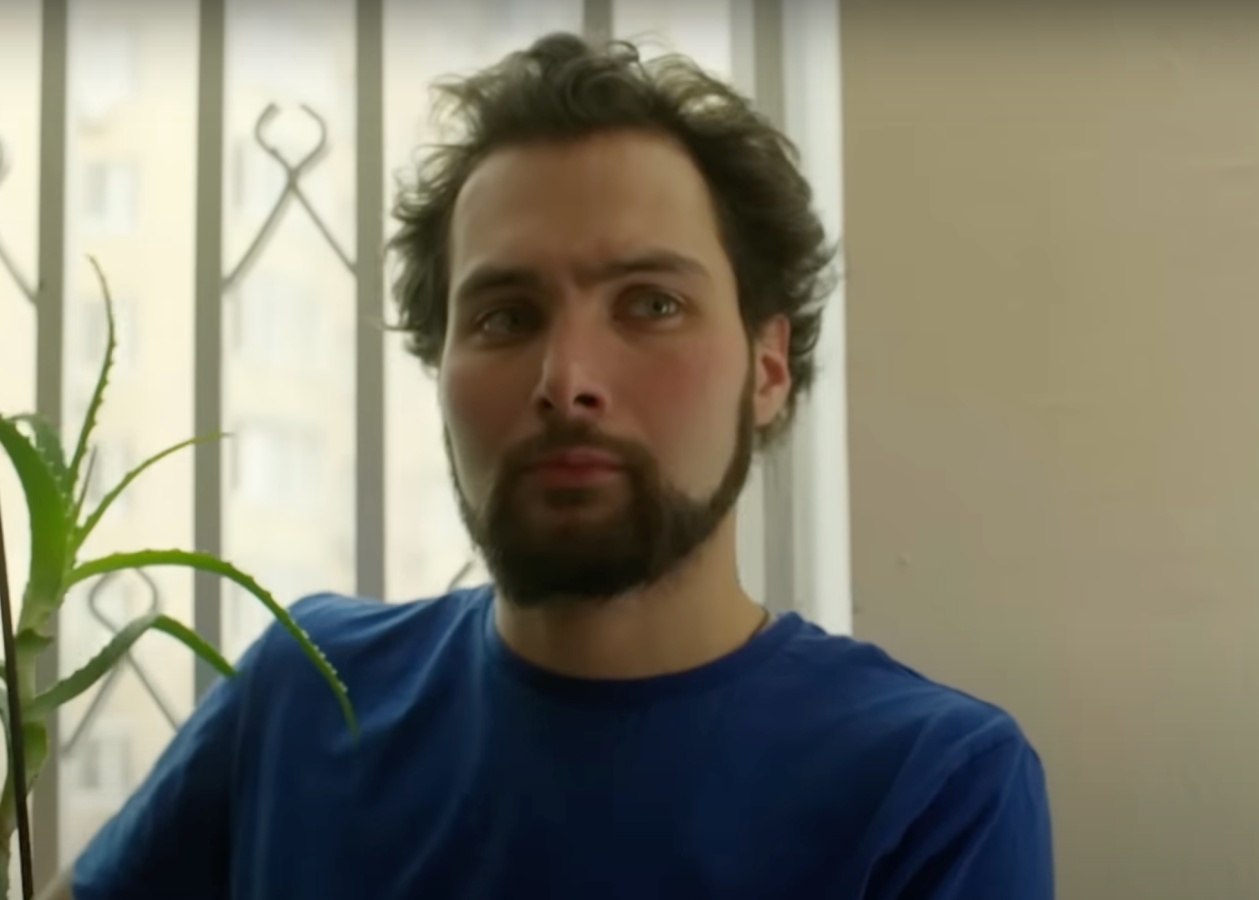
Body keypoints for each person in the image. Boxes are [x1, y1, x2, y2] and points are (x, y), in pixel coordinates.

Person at [62, 32, 1053, 899]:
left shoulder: (927, 785)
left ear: (766, 368)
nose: (566, 380)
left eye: (650, 304)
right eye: (505, 317)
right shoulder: (303, 693)